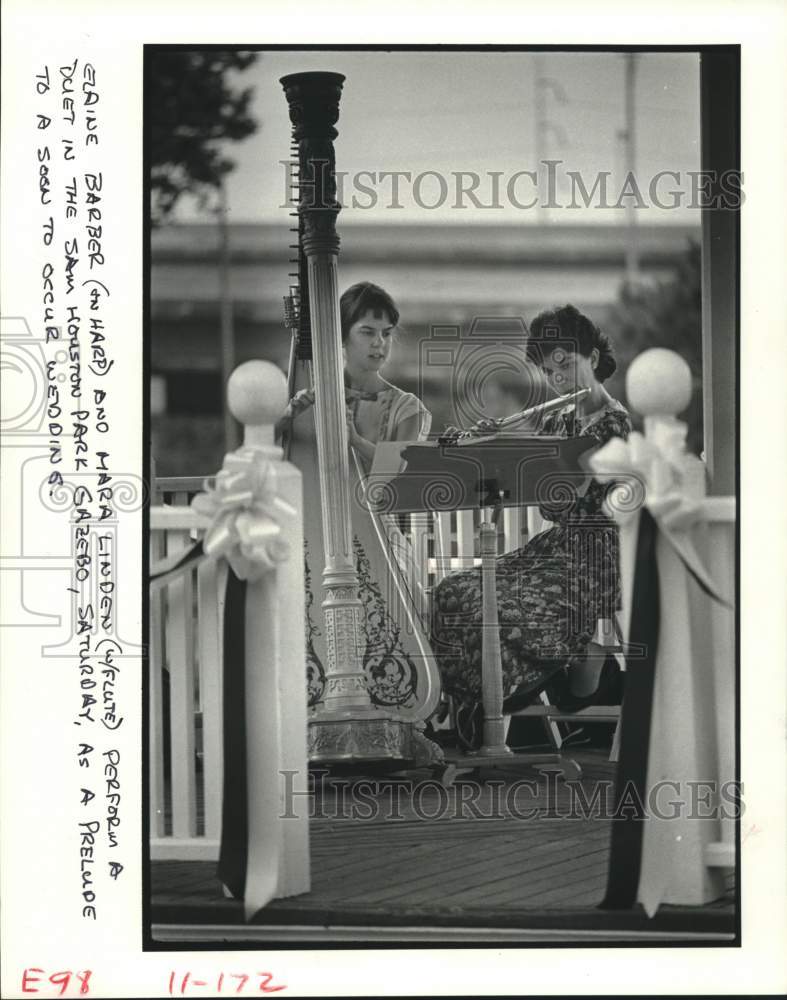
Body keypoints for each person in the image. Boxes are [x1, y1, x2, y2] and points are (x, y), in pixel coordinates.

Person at [431, 304, 632, 750]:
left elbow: (572, 493)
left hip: (592, 559)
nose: (559, 378)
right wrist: (493, 445)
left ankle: (537, 702)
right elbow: (543, 500)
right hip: (555, 548)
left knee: (497, 603)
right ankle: (491, 714)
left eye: (567, 364)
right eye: (550, 370)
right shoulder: (558, 418)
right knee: (452, 592)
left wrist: (535, 450)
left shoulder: (614, 423)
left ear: (592, 359)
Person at [278, 281, 441, 723]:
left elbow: (396, 479)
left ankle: (397, 709)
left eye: (386, 333)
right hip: (317, 532)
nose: (380, 343)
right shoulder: (309, 401)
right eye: (367, 332)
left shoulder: (407, 408)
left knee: (395, 594)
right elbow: (274, 462)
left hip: (382, 535)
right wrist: (287, 419)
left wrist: (352, 438)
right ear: (340, 339)